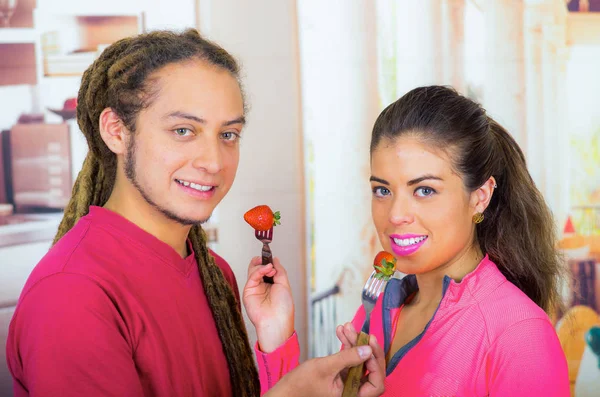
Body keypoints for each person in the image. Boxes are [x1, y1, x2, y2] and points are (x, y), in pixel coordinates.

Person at [5, 29, 385, 397]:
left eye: (228, 134)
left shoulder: (214, 273)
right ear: (116, 131)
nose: (213, 162)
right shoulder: (72, 293)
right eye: (184, 130)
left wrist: (276, 343)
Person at [334, 85, 570, 396]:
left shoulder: (519, 335)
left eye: (425, 190)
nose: (395, 214)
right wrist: (277, 338)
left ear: (480, 197)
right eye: (383, 190)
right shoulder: (377, 309)